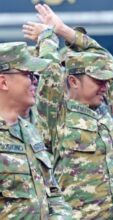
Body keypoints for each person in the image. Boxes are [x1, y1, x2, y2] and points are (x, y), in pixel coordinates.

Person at [23, 4, 113, 219]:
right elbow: (50, 70)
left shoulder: (103, 107)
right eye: (98, 80)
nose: (104, 86)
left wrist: (63, 29)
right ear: (73, 81)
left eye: (106, 81)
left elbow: (104, 57)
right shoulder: (57, 111)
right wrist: (47, 37)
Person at [0, 41, 72, 219]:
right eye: (27, 74)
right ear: (3, 82)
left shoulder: (29, 131)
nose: (34, 81)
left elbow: (53, 193)